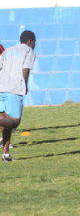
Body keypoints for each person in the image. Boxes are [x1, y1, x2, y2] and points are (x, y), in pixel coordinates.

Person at [0, 30, 36, 162]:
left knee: (6, 122)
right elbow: (25, 69)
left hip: (1, 87)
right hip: (13, 89)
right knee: (15, 121)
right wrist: (24, 85)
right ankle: (6, 154)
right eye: (34, 43)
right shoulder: (28, 51)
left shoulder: (8, 50)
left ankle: (6, 155)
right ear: (30, 41)